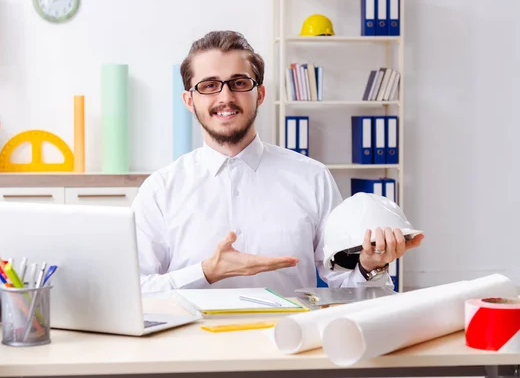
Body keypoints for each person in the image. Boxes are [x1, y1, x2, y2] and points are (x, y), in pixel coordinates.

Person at [131, 30, 424, 295]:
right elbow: (133, 288)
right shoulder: (160, 189)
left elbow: (346, 289)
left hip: (291, 343)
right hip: (189, 347)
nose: (226, 96)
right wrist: (205, 272)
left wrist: (370, 266)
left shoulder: (312, 178)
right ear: (188, 100)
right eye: (209, 85)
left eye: (239, 83)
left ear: (259, 94)